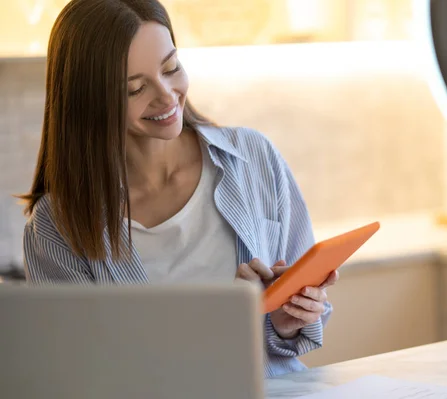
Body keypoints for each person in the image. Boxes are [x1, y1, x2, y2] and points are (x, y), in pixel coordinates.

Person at [18, 0, 337, 378]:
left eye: (171, 68)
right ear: (90, 100)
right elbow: (82, 375)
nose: (167, 96)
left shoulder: (254, 158)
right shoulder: (57, 229)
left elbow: (297, 325)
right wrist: (217, 323)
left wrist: (285, 318)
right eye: (136, 89)